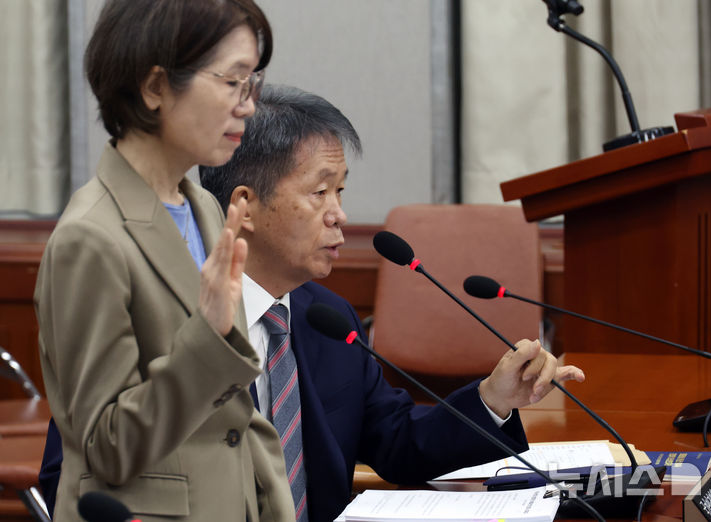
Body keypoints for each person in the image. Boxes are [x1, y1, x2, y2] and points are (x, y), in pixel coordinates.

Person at [40, 84, 584, 521]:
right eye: (319, 192)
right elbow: (71, 470)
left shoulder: (325, 318)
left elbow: (397, 442)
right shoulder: (159, 315)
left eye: (341, 192)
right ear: (245, 208)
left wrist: (494, 397)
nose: (339, 214)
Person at [33, 1, 294, 521]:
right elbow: (107, 445)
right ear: (155, 88)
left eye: (252, 84)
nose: (247, 106)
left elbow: (238, 414)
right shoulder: (89, 238)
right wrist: (209, 339)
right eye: (231, 82)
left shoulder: (203, 206)